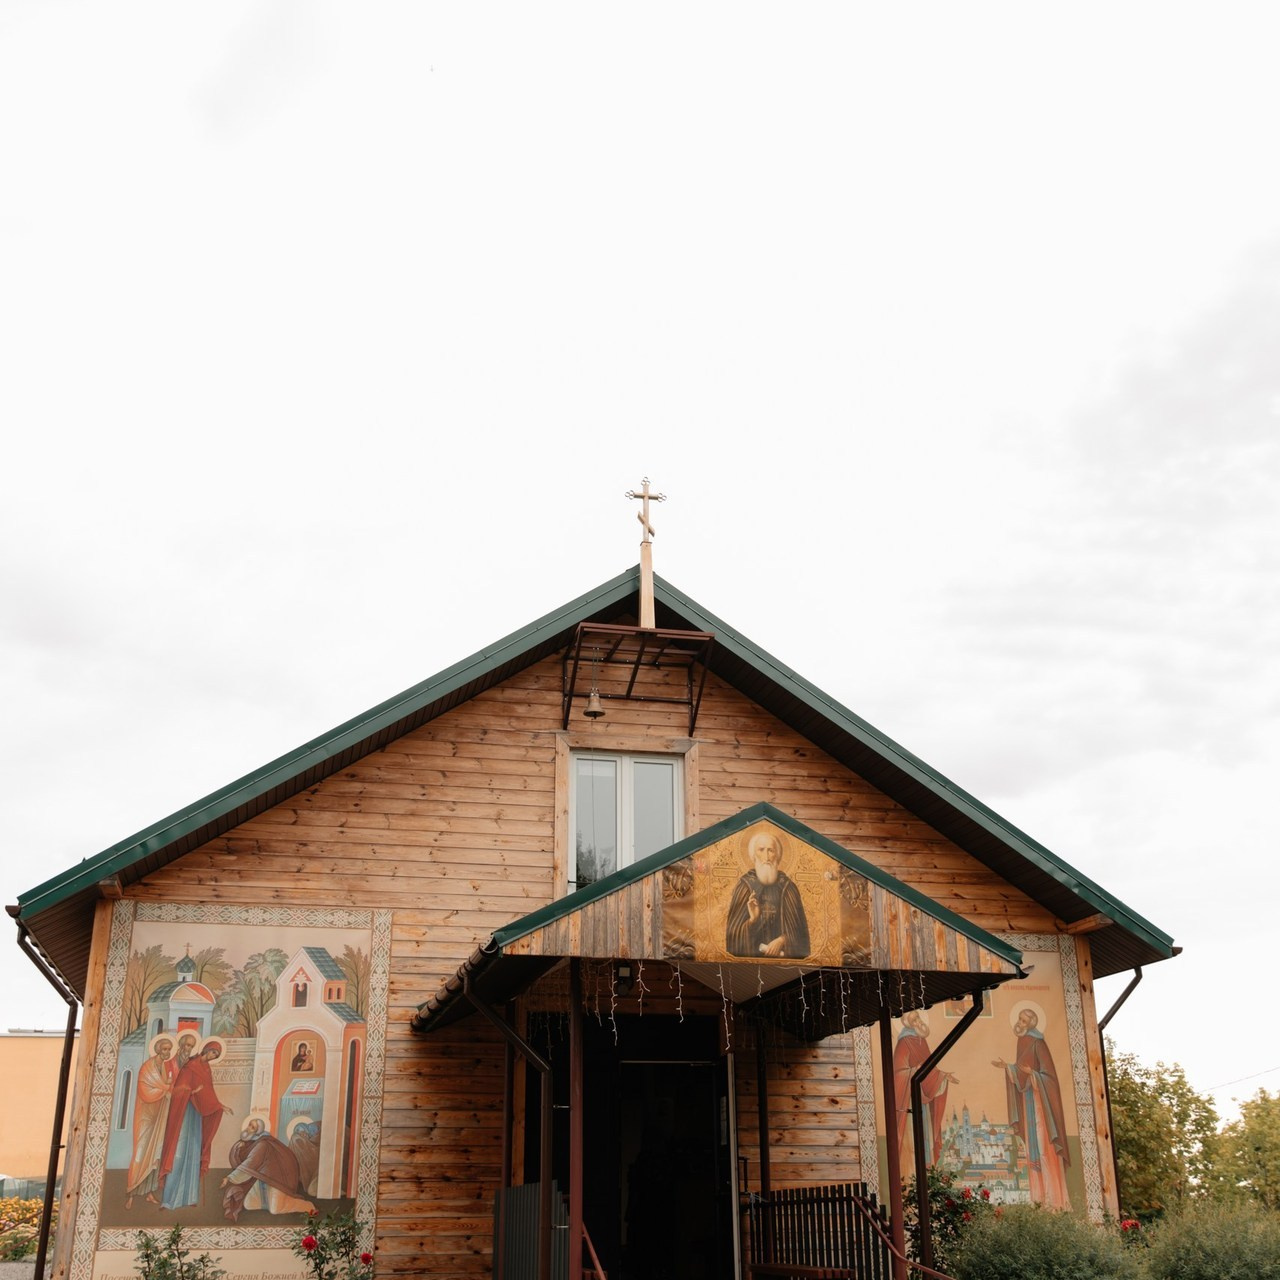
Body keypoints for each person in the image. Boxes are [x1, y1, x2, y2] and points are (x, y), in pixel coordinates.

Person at [992, 1007, 1071, 1208]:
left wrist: (1034, 1075)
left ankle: (1056, 1202)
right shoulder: (1022, 1041)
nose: (1019, 1023)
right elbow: (1020, 1072)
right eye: (1019, 1018)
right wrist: (1008, 1068)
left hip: (1042, 1107)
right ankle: (1038, 1200)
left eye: (1024, 1020)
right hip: (1028, 1101)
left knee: (1045, 1149)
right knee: (1033, 1153)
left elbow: (1049, 1077)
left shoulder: (1039, 1043)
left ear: (1032, 1023)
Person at [158, 1040, 233, 1210]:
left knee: (193, 1152)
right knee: (178, 1152)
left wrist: (219, 1106)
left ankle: (190, 1196)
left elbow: (209, 1093)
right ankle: (168, 1200)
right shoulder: (190, 1066)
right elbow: (179, 1089)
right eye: (213, 1053)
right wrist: (192, 1091)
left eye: (217, 1055)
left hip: (197, 1114)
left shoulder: (207, 1069)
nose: (213, 1057)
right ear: (207, 1049)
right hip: (184, 1113)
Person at [725, 832, 811, 958]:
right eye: (761, 850)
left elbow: (800, 934)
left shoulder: (788, 888)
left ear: (777, 855)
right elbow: (733, 936)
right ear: (753, 855)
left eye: (771, 850)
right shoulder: (744, 886)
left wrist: (782, 940)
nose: (766, 856)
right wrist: (752, 921)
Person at [893, 1011, 957, 1167]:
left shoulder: (921, 1040)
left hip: (924, 1096)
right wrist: (914, 1071)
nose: (918, 1022)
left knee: (925, 1131)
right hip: (910, 1100)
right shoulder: (904, 1042)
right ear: (908, 1024)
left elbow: (930, 1068)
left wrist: (941, 1076)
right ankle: (916, 1170)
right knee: (916, 1134)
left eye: (918, 1017)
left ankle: (928, 1168)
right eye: (914, 1019)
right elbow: (898, 1072)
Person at [220, 1117, 317, 1221]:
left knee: (275, 1210)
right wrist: (240, 1148)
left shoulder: (263, 1144)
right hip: (263, 1179)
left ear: (258, 1131)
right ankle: (271, 1202)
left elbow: (250, 1163)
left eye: (252, 1127)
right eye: (249, 1125)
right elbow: (241, 1158)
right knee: (249, 1204)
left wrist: (229, 1178)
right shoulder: (254, 1141)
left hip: (276, 1180)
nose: (248, 1128)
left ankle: (307, 1206)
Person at [124, 1036, 177, 1208]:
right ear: (157, 1050)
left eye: (169, 1049)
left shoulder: (164, 1067)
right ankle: (131, 1192)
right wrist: (164, 1088)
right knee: (140, 1153)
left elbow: (166, 1088)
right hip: (146, 1118)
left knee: (155, 1154)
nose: (167, 1052)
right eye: (164, 1049)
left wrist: (167, 1087)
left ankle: (149, 1192)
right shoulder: (147, 1068)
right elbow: (145, 1091)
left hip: (158, 1117)